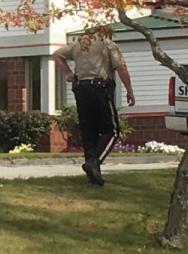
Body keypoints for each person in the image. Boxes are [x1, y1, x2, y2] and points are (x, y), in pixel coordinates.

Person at [52, 25, 135, 186]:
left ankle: (93, 176)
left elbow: (56, 55)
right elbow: (121, 68)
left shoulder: (78, 45)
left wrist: (68, 73)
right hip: (99, 89)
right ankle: (94, 163)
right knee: (111, 131)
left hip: (80, 89)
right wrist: (129, 90)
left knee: (89, 132)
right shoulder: (108, 44)